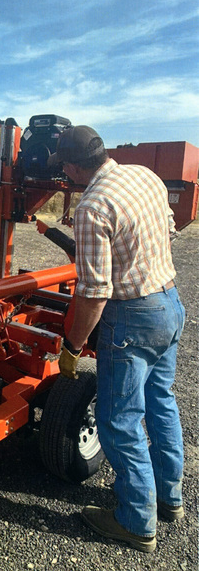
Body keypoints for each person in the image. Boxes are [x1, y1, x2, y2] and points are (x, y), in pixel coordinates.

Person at [55, 126, 185, 553]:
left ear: (73, 167)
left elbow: (94, 293)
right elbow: (169, 229)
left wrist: (73, 347)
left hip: (132, 319)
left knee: (119, 420)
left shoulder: (92, 206)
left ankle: (136, 522)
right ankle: (169, 499)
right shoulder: (144, 175)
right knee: (161, 402)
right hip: (170, 303)